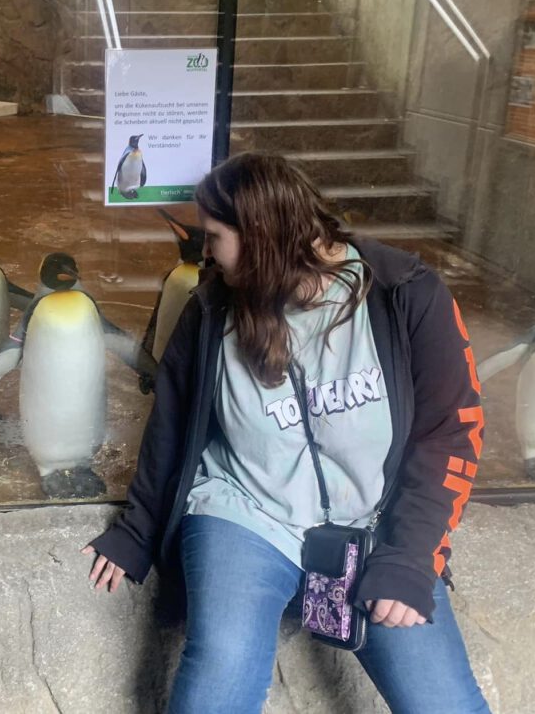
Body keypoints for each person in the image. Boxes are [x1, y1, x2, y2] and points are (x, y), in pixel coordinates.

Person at [82, 152, 490, 713]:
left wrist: (411, 557)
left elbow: (450, 435)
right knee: (223, 660)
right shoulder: (212, 309)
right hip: (245, 510)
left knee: (444, 703)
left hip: (372, 523)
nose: (206, 252)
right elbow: (170, 425)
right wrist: (137, 531)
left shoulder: (404, 294)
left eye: (215, 236)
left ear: (260, 235)